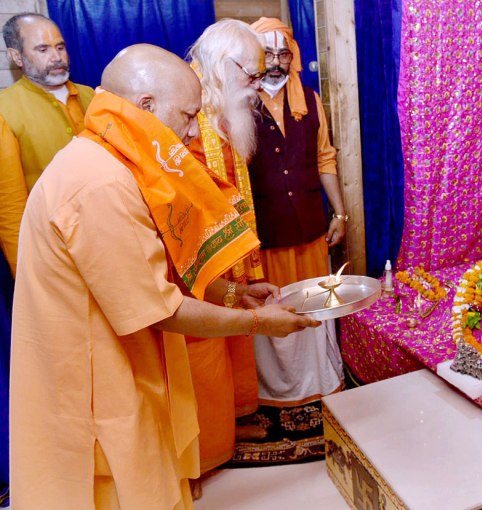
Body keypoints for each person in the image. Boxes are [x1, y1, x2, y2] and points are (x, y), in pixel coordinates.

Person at [9, 43, 318, 509]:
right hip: (96, 382)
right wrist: (259, 323)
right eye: (188, 115)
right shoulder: (100, 183)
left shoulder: (111, 155)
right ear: (146, 106)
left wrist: (232, 293)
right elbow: (161, 309)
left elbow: (154, 265)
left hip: (122, 361)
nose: (193, 131)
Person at [184, 19, 269, 475]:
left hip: (230, 251)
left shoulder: (223, 109)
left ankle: (235, 420)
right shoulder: (186, 113)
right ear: (222, 65)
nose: (256, 86)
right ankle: (203, 451)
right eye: (251, 75)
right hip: (195, 258)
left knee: (235, 329)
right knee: (204, 353)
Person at [248, 17, 347, 409]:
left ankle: (319, 380)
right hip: (264, 234)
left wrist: (339, 214)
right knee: (272, 309)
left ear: (293, 58)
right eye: (267, 54)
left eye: (283, 54)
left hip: (308, 229)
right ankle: (277, 390)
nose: (276, 62)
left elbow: (325, 157)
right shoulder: (237, 102)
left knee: (315, 306)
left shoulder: (310, 99)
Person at [0, 13, 93, 277]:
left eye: (60, 47)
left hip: (109, 236)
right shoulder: (5, 110)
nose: (57, 57)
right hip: (54, 254)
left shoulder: (92, 96)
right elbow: (10, 206)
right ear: (17, 57)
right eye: (43, 49)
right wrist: (26, 275)